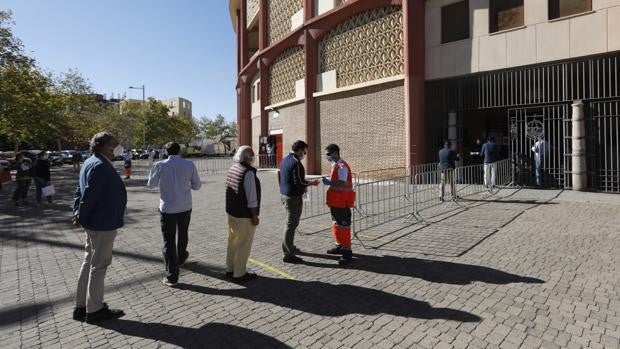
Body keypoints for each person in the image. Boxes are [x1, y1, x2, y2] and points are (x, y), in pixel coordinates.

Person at [72, 132, 126, 323]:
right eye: (114, 144)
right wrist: (80, 215)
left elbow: (81, 191)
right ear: (105, 147)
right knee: (99, 266)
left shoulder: (91, 161)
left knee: (89, 262)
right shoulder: (100, 165)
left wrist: (78, 214)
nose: (118, 146)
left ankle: (82, 306)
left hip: (95, 222)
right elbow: (88, 195)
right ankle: (94, 310)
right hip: (102, 223)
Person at [147, 142, 202, 287]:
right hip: (185, 206)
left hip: (168, 208)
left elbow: (151, 184)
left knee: (169, 241)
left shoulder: (159, 165)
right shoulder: (189, 165)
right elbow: (197, 185)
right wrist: (184, 185)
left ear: (165, 151)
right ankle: (181, 255)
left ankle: (172, 276)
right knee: (183, 233)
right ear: (180, 151)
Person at [279, 140, 320, 264]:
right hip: (292, 197)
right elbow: (299, 182)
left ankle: (289, 246)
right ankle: (288, 253)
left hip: (285, 194)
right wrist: (311, 183)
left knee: (290, 224)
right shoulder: (295, 162)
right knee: (291, 225)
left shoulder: (285, 159)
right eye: (304, 151)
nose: (305, 153)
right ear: (300, 150)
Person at [225, 146, 261, 281]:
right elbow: (251, 197)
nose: (253, 157)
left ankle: (230, 268)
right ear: (246, 157)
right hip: (244, 214)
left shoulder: (233, 167)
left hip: (232, 211)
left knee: (232, 241)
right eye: (252, 155)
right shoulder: (248, 173)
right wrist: (254, 215)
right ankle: (239, 273)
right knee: (244, 244)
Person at [321, 143, 355, 265]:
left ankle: (347, 251)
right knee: (336, 224)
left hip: (342, 202)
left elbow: (341, 183)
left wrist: (330, 182)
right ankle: (339, 245)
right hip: (335, 202)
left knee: (344, 226)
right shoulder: (335, 164)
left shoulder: (341, 166)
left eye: (328, 154)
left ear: (335, 153)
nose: (327, 156)